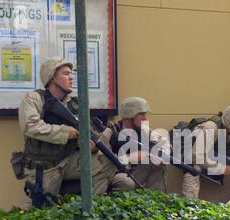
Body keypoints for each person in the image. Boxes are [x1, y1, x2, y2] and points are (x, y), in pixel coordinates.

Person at [17, 57, 115, 207]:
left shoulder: (75, 104)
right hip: (45, 164)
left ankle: (90, 209)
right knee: (42, 209)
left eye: (71, 74)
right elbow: (31, 127)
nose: (71, 78)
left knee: (110, 161)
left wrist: (91, 143)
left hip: (69, 160)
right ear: (52, 77)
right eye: (66, 74)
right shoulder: (34, 99)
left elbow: (89, 133)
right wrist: (66, 132)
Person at [181, 104, 230, 199]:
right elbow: (196, 156)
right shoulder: (211, 128)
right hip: (191, 156)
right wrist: (221, 168)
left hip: (213, 157)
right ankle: (190, 205)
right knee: (193, 170)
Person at [102, 97, 167, 192]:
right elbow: (101, 160)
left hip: (135, 172)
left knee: (157, 164)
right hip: (115, 174)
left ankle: (155, 201)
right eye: (142, 114)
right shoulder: (111, 132)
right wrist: (130, 157)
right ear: (130, 114)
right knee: (125, 181)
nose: (145, 118)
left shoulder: (145, 131)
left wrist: (158, 152)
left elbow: (163, 142)